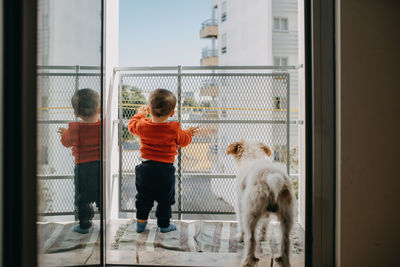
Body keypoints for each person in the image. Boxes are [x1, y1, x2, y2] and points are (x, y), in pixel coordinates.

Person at [129, 88, 198, 233]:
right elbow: (183, 141)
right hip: (165, 170)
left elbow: (132, 126)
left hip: (145, 168)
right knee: (165, 200)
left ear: (149, 109)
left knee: (143, 198)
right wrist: (189, 133)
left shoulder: (142, 124)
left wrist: (140, 114)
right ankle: (164, 225)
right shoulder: (174, 127)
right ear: (172, 113)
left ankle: (140, 225)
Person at [58, 88, 101, 234]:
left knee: (82, 197)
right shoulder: (104, 126)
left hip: (82, 168)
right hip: (100, 166)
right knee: (101, 196)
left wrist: (64, 133)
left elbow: (66, 142)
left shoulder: (74, 128)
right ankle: (104, 221)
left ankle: (84, 224)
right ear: (99, 109)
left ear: (76, 113)